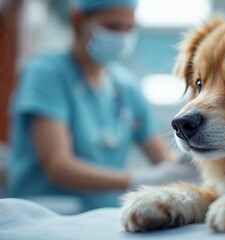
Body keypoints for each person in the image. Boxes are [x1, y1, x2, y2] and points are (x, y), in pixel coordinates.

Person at [8, 0, 196, 212]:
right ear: (79, 20)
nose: (122, 37)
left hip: (102, 217)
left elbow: (164, 161)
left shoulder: (126, 87)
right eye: (113, 26)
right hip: (43, 213)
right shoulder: (46, 72)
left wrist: (189, 162)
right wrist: (137, 179)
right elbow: (58, 167)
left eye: (129, 28)